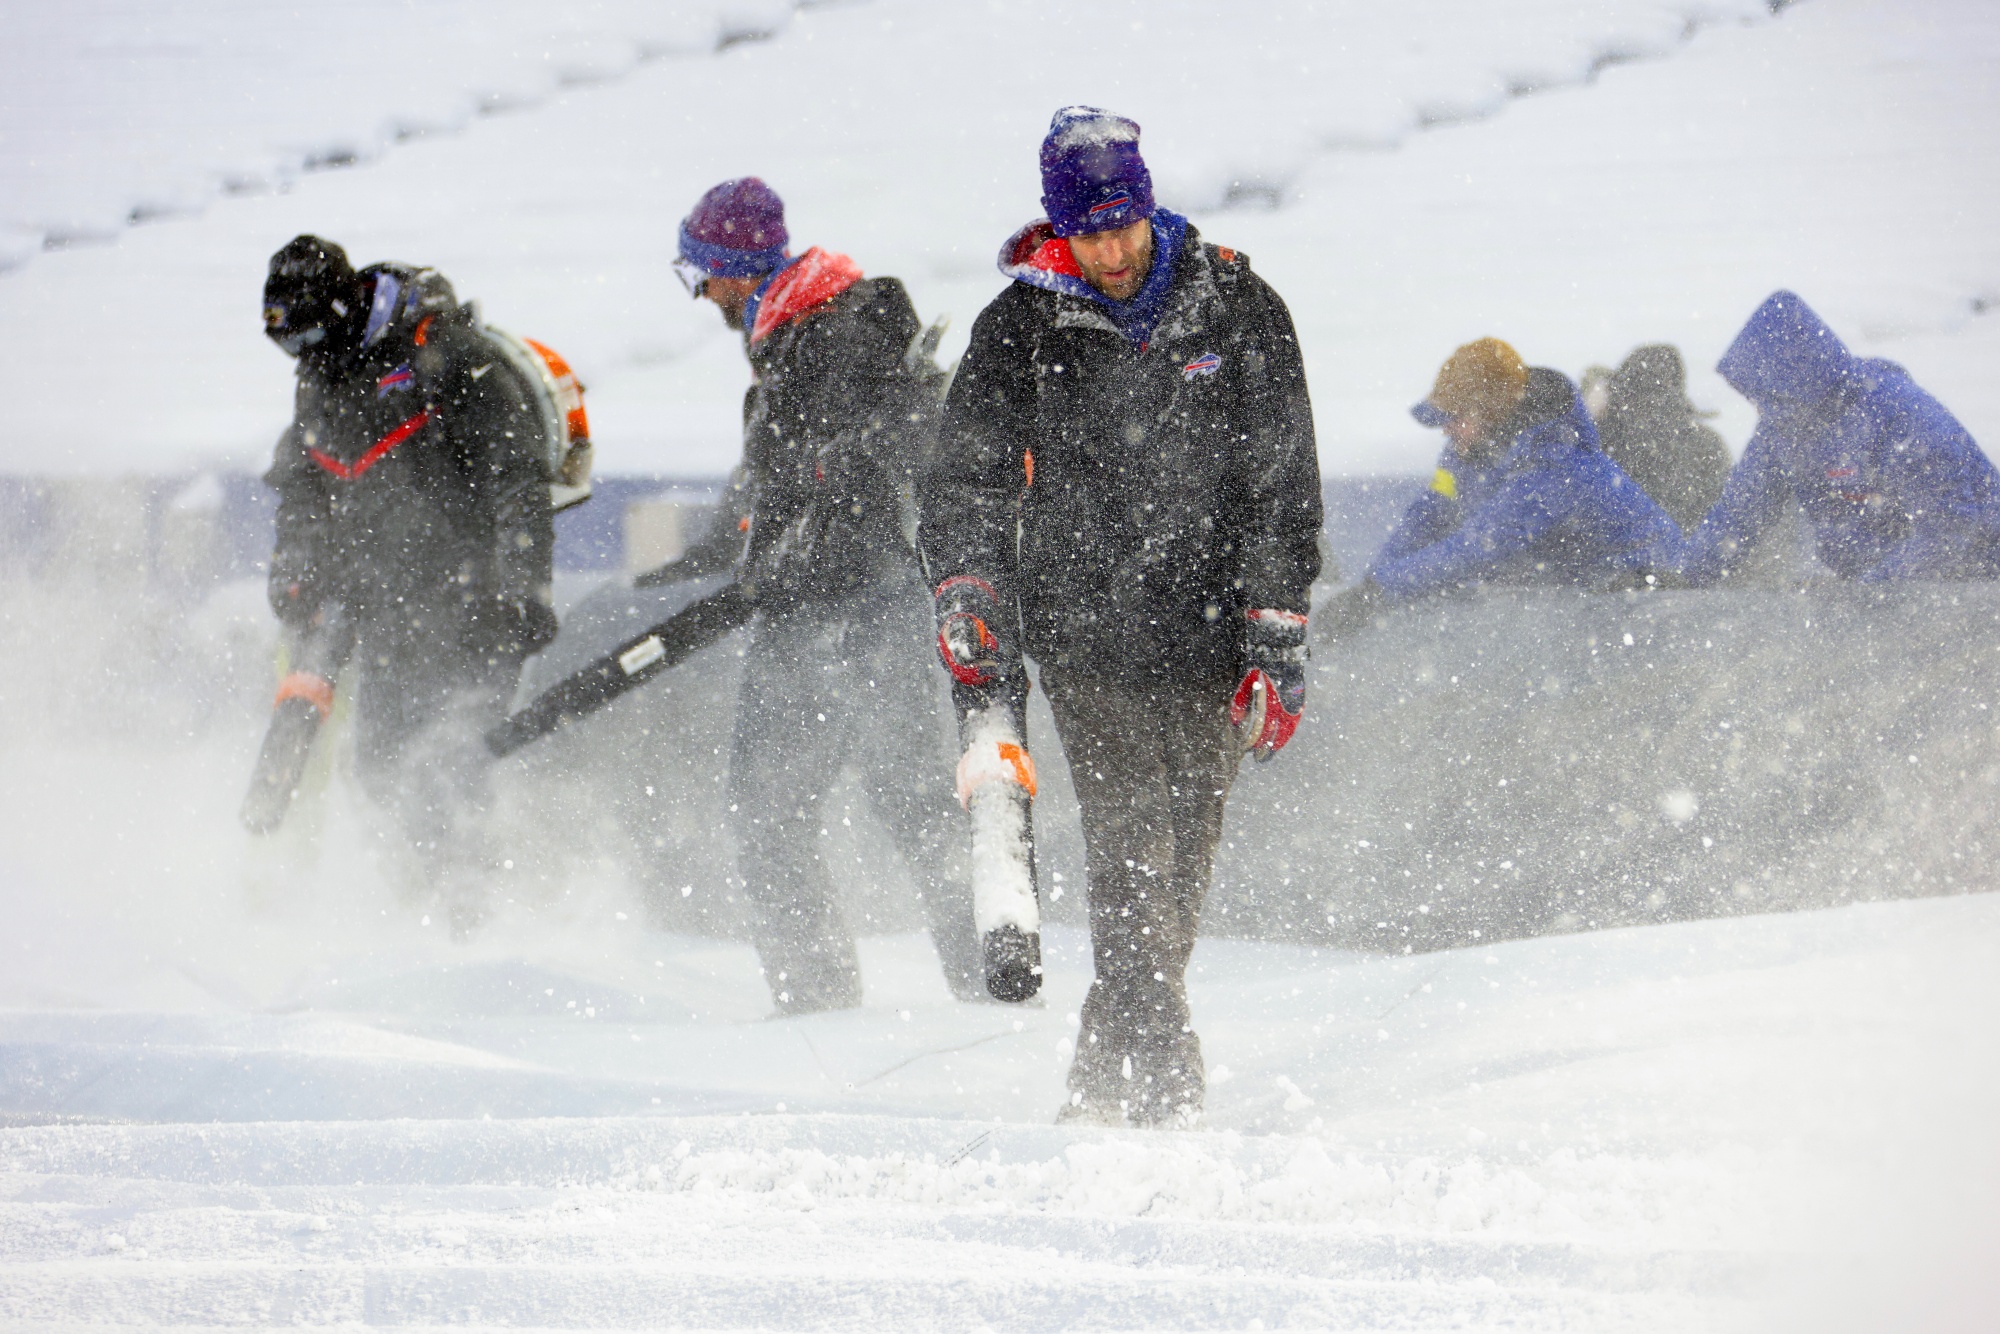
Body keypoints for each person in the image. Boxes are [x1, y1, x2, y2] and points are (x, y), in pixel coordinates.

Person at [921, 107, 1323, 1126]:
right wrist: (968, 586)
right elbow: (963, 480)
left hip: (1211, 631)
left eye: (1124, 224)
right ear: (1059, 227)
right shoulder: (1018, 326)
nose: (1110, 248)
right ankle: (1164, 1092)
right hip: (1085, 633)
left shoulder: (1235, 302)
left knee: (1180, 865)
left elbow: (1283, 478)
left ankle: (1099, 1091)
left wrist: (1275, 625)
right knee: (1132, 857)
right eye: (1088, 230)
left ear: (1148, 207)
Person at [670, 177, 985, 1012]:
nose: (700, 294)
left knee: (769, 810)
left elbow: (867, 464)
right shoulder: (798, 339)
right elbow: (783, 484)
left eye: (700, 273)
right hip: (855, 604)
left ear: (736, 268)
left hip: (836, 611)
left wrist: (792, 561)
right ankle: (993, 984)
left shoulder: (830, 335)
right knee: (915, 803)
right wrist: (722, 549)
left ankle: (819, 1002)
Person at [260, 235, 557, 929]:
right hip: (386, 611)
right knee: (378, 773)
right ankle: (411, 931)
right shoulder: (319, 372)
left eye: (306, 332)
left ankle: (477, 935)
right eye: (284, 341)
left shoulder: (447, 357)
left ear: (341, 309)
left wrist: (522, 589)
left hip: (473, 607)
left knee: (455, 773)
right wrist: (297, 568)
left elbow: (518, 481)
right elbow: (305, 481)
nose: (298, 351)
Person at [1322, 338, 1684, 637]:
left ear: (1492, 411)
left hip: (1653, 598)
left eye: (1457, 417)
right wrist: (1370, 587)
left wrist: (1382, 593)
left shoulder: (1557, 465)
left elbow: (1480, 546)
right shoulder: (1468, 451)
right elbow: (1429, 513)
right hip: (1578, 596)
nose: (1446, 430)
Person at [1681, 290, 2000, 584]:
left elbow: (1947, 529)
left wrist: (1872, 590)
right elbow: (1740, 513)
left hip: (1971, 591)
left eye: (1763, 395)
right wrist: (1686, 577)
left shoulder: (1900, 419)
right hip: (1873, 595)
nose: (1757, 407)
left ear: (1790, 384)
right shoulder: (1782, 428)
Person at [1595, 343, 1731, 532]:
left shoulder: (1599, 439)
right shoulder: (1706, 444)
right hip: (1687, 552)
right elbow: (1723, 517)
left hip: (1613, 552)